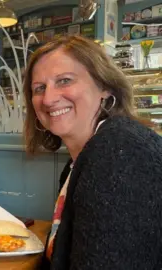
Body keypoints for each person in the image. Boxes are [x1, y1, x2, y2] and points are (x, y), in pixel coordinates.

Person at [23, 35, 162, 269]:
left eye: (64, 80)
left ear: (104, 87)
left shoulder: (120, 153)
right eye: (39, 88)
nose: (48, 98)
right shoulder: (84, 157)